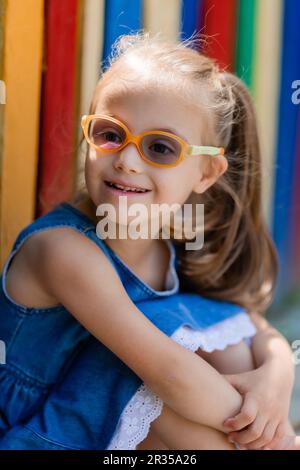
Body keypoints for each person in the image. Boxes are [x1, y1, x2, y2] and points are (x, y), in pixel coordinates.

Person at [0, 31, 295, 450]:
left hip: (91, 418)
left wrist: (273, 385)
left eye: (160, 147)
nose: (127, 160)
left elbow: (253, 327)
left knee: (224, 339)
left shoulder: (169, 240)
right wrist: (272, 439)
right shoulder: (62, 250)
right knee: (172, 381)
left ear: (206, 173)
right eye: (110, 134)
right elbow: (172, 373)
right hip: (32, 434)